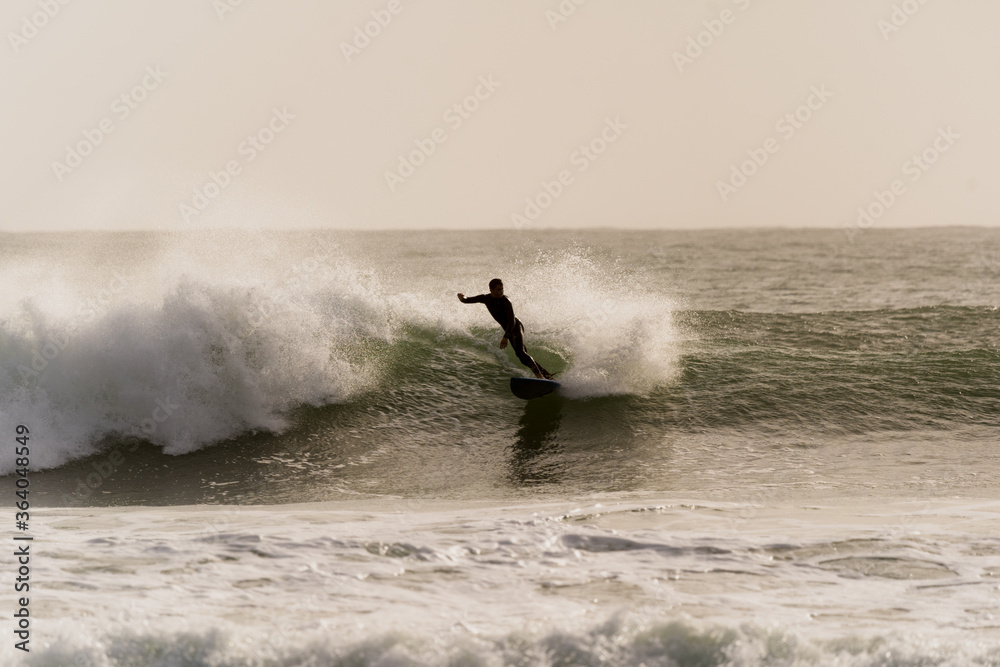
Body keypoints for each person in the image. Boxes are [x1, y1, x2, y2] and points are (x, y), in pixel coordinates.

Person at [458, 278, 553, 379]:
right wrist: (461, 297)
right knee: (521, 356)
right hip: (509, 330)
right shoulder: (485, 298)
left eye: (502, 289)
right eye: (498, 289)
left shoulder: (506, 301)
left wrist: (506, 337)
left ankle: (540, 376)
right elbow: (467, 300)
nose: (501, 291)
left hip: (515, 326)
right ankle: (548, 376)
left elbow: (512, 321)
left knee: (521, 352)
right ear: (491, 290)